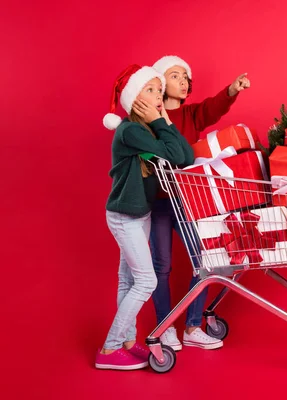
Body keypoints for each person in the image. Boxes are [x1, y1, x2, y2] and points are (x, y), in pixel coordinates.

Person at [149, 55, 250, 350]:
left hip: (188, 200)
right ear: (159, 82)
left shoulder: (192, 114)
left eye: (185, 77)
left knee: (205, 262)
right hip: (156, 203)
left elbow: (213, 108)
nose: (183, 81)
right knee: (161, 267)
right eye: (175, 75)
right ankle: (165, 327)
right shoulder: (148, 118)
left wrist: (232, 89)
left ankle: (192, 327)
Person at [96, 64, 194, 370]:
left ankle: (127, 341)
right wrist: (160, 121)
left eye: (159, 91)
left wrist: (164, 121)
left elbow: (187, 157)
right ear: (133, 98)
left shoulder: (149, 128)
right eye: (151, 90)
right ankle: (110, 349)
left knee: (127, 280)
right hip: (125, 217)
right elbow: (174, 156)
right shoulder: (131, 130)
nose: (158, 96)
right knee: (146, 280)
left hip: (140, 215)